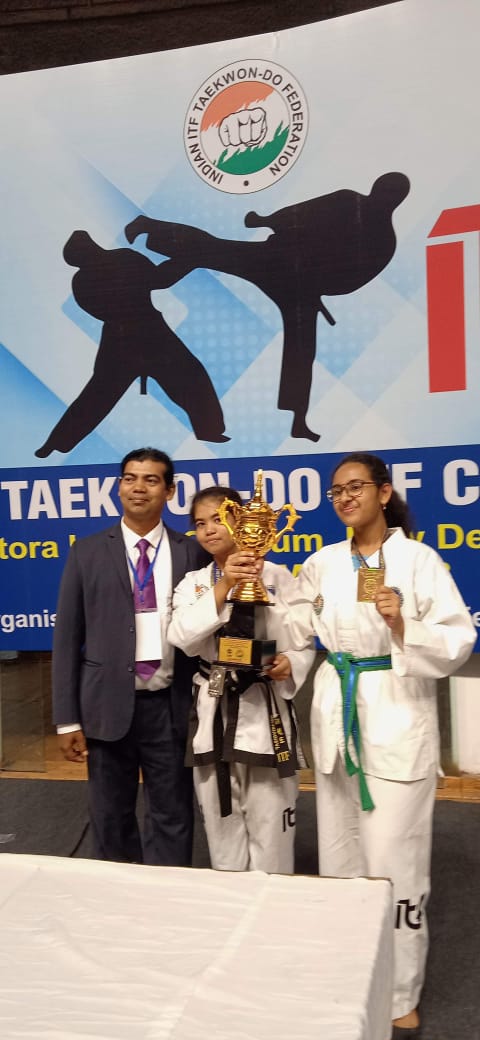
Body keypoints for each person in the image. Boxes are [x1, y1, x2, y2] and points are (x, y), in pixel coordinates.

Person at [284, 452, 476, 1039]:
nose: (344, 498)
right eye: (336, 491)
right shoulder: (321, 563)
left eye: (356, 487)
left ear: (384, 493)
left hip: (395, 713)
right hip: (336, 715)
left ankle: (398, 989)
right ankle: (349, 972)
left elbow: (459, 639)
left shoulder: (418, 560)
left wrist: (402, 625)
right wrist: (253, 585)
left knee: (394, 860)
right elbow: (294, 628)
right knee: (340, 857)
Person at [52, 447, 208, 865]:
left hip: (170, 706)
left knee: (173, 814)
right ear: (119, 487)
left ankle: (167, 893)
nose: (139, 487)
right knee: (110, 817)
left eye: (151, 479)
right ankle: (115, 895)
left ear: (169, 491)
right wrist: (67, 719)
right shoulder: (86, 552)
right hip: (106, 706)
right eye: (130, 478)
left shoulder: (191, 552)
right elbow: (67, 639)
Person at [167, 486, 314, 873]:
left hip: (264, 706)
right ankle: (230, 901)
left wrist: (291, 662)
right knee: (223, 836)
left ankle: (274, 900)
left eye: (218, 519)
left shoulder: (278, 576)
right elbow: (181, 636)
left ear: (242, 521)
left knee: (272, 833)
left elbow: (303, 639)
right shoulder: (194, 583)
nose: (209, 530)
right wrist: (225, 586)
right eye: (200, 523)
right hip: (214, 707)